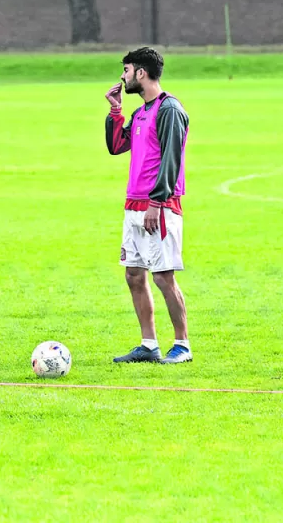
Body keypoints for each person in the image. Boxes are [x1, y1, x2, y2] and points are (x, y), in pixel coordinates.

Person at [105, 47, 192, 364]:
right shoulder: (140, 112)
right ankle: (149, 344)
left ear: (141, 73)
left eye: (126, 70)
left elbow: (171, 158)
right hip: (134, 205)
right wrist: (116, 110)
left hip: (160, 206)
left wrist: (157, 202)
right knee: (134, 275)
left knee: (163, 277)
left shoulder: (169, 110)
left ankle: (182, 345)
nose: (122, 77)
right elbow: (117, 146)